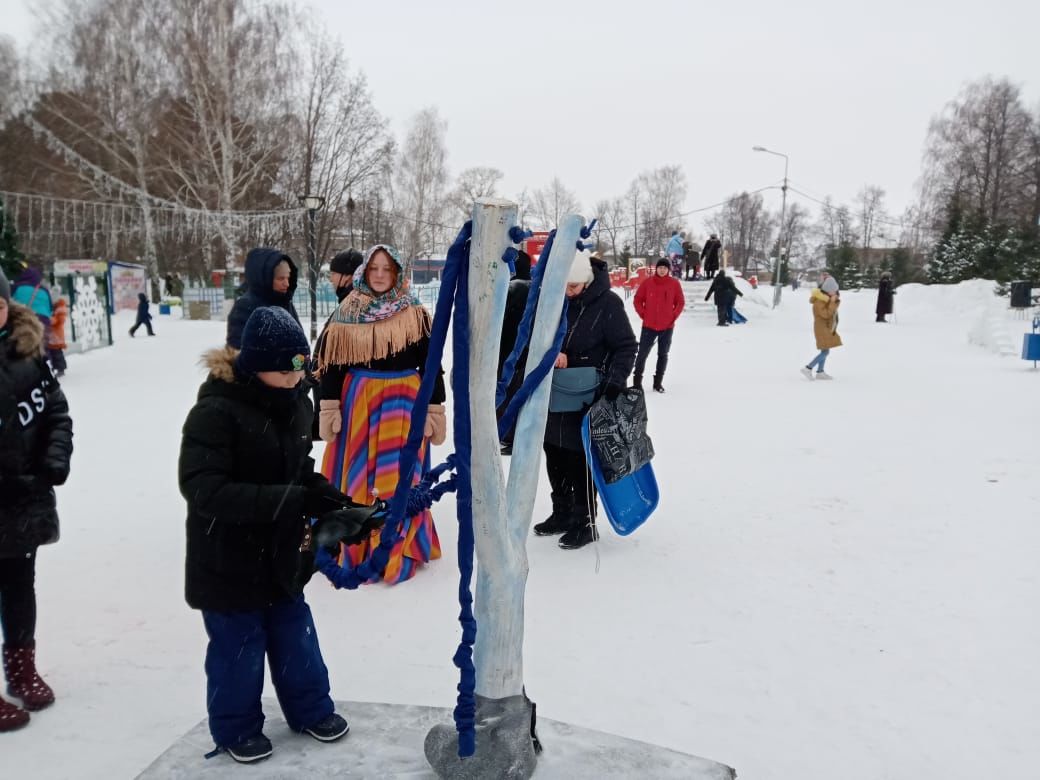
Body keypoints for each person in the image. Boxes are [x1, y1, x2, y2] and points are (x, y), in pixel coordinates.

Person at [179, 306, 377, 763]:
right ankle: (235, 728)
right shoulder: (215, 412)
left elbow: (299, 471)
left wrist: (337, 503)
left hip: (281, 555)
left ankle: (310, 709)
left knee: (296, 636)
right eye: (286, 368)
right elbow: (204, 489)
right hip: (227, 560)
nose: (297, 376)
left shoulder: (294, 402)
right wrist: (291, 502)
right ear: (255, 364)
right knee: (239, 648)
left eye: (301, 365)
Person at [314, 245, 446, 584]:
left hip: (405, 402)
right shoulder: (347, 311)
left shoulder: (414, 312)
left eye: (387, 269)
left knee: (402, 475)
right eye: (375, 268)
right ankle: (358, 543)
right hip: (360, 402)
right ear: (365, 271)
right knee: (357, 476)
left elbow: (431, 366)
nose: (380, 275)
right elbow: (332, 364)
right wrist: (329, 405)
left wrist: (435, 406)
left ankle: (398, 545)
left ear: (397, 272)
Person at [0, 269, 73, 732]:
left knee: (18, 585)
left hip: (23, 498)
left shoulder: (29, 353)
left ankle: (21, 666)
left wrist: (54, 458)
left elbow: (57, 413)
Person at [536, 250, 637, 550]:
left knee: (580, 459)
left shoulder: (608, 304)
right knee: (554, 453)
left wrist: (613, 385)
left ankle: (585, 521)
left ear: (587, 281)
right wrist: (552, 353)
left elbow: (626, 346)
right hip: (555, 394)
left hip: (588, 399)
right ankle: (562, 512)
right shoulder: (555, 301)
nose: (568, 293)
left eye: (574, 287)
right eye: (564, 287)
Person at [226, 248, 300, 349]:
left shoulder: (285, 303)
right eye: (280, 278)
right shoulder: (245, 307)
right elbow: (239, 350)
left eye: (288, 278)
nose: (286, 283)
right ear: (265, 278)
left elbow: (300, 341)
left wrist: (301, 361)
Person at [497, 250, 533, 454]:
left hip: (505, 349)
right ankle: (517, 434)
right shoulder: (535, 290)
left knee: (506, 392)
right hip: (526, 350)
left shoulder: (508, 289)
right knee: (520, 393)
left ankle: (507, 435)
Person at [632, 258, 685, 393]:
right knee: (642, 354)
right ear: (657, 269)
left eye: (665, 268)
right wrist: (643, 314)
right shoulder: (648, 283)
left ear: (668, 270)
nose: (662, 270)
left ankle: (658, 383)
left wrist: (673, 316)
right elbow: (637, 300)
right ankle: (637, 383)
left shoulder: (674, 284)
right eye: (660, 267)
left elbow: (680, 302)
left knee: (663, 354)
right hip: (649, 326)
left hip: (667, 327)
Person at [801, 275, 842, 380]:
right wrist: (832, 303)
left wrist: (833, 301)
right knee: (825, 351)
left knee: (825, 349)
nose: (836, 292)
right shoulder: (819, 301)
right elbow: (826, 314)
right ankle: (808, 368)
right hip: (821, 328)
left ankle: (820, 372)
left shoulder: (827, 299)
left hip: (826, 327)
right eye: (834, 291)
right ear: (828, 290)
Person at [11, 267, 53, 336]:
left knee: (20, 342)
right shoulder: (44, 290)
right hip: (43, 319)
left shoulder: (16, 287)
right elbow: (50, 308)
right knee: (42, 342)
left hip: (22, 318)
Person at [48, 295, 68, 377]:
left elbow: (58, 321)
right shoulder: (55, 309)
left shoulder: (60, 310)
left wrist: (49, 319)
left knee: (57, 353)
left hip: (57, 335)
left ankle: (61, 368)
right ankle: (55, 367)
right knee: (52, 353)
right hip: (52, 335)